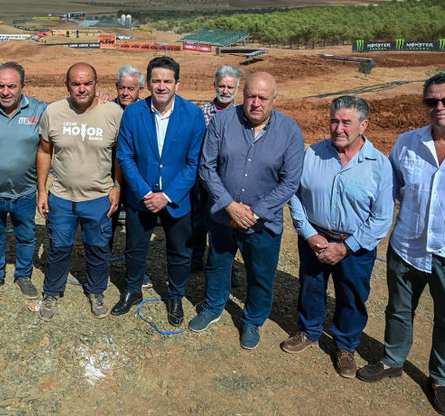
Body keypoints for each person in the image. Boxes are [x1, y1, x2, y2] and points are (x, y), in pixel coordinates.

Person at [357, 74, 445, 416]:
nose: (439, 107)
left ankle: (441, 379)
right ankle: (392, 359)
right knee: (399, 310)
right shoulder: (406, 143)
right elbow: (392, 191)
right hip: (407, 246)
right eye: (432, 101)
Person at [190, 71, 304, 350]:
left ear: (274, 99)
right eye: (251, 96)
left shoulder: (290, 131)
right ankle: (213, 307)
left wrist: (255, 211)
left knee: (261, 273)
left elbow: (290, 181)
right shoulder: (223, 121)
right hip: (222, 216)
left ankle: (253, 320)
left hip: (263, 223)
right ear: (243, 95)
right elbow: (207, 166)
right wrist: (229, 205)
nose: (256, 103)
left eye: (263, 98)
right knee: (217, 263)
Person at [282, 96, 393, 378]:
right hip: (315, 239)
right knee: (311, 286)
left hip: (356, 245)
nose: (338, 128)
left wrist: (346, 247)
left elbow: (381, 218)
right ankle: (309, 331)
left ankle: (345, 345)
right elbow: (295, 194)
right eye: (334, 120)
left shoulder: (379, 165)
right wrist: (307, 233)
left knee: (352, 295)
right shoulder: (313, 154)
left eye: (346, 122)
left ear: (364, 124)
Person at [112, 57, 205, 326]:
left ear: (178, 83)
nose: (161, 86)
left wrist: (167, 196)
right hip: (141, 198)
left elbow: (193, 163)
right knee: (134, 247)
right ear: (148, 83)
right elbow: (125, 156)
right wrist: (144, 192)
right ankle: (131, 290)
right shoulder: (133, 113)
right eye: (156, 81)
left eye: (167, 81)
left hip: (177, 199)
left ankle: (175, 296)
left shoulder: (193, 114)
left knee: (179, 251)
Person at [36, 62, 124, 321]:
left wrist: (117, 185)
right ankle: (52, 291)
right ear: (67, 85)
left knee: (97, 247)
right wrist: (42, 190)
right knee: (58, 247)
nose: (82, 88)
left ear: (97, 85)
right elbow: (44, 151)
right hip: (62, 197)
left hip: (98, 197)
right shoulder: (53, 112)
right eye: (76, 83)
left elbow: (120, 153)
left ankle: (96, 291)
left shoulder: (113, 113)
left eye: (87, 83)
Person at [0, 62, 46, 303]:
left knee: (26, 236)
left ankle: (23, 275)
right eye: (0, 86)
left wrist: (101, 98)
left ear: (22, 87)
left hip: (24, 192)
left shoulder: (39, 109)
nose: (5, 92)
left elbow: (70, 110)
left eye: (12, 86)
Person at [192, 65, 242, 272]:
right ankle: (195, 259)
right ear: (214, 85)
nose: (225, 91)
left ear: (237, 89)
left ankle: (225, 266)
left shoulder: (242, 115)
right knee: (198, 221)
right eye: (221, 85)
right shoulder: (200, 113)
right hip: (203, 180)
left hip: (229, 181)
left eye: (230, 87)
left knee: (226, 226)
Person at [111, 64, 153, 289]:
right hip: (112, 178)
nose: (126, 92)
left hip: (138, 180)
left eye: (131, 88)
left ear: (141, 89)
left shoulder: (148, 111)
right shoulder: (107, 108)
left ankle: (136, 271)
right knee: (107, 225)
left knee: (137, 232)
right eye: (122, 87)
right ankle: (100, 267)